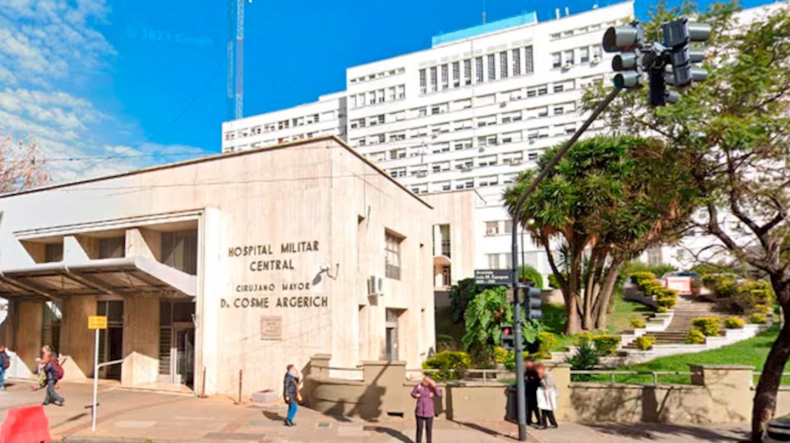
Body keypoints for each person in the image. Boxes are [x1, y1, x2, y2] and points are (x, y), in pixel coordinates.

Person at [411, 376, 441, 443]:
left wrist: (434, 385)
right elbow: (413, 393)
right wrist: (416, 395)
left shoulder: (432, 388)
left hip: (429, 412)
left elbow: (439, 394)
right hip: (420, 411)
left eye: (427, 381)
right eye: (424, 380)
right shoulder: (419, 386)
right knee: (419, 429)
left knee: (429, 429)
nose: (425, 382)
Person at [535, 363, 558, 429]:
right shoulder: (544, 375)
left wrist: (541, 379)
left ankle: (547, 424)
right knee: (544, 409)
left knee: (546, 409)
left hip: (548, 394)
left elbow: (548, 385)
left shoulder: (548, 375)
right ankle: (551, 423)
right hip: (544, 393)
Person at [524, 358, 541, 426]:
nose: (526, 364)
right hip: (528, 390)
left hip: (534, 390)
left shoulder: (534, 370)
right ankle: (528, 420)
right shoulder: (527, 370)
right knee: (529, 407)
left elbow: (538, 380)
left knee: (535, 406)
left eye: (527, 362)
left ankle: (539, 420)